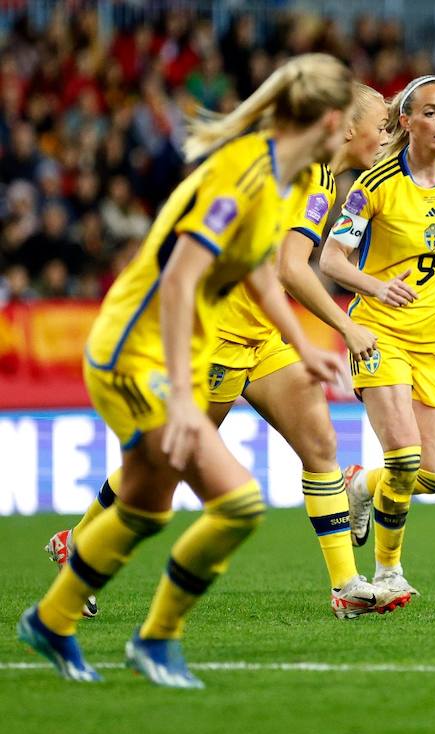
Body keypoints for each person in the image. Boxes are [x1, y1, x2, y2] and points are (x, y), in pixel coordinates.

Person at [17, 53, 353, 688]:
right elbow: (178, 284)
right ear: (333, 120)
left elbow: (256, 267)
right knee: (237, 504)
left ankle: (53, 619)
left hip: (166, 355)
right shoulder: (244, 174)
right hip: (132, 355)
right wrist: (176, 396)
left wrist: (300, 343)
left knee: (144, 508)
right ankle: (155, 641)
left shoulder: (288, 176)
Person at [45, 83, 407, 620]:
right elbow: (289, 267)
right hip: (219, 334)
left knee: (320, 442)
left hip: (260, 336)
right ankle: (76, 544)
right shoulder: (312, 179)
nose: (387, 137)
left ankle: (346, 585)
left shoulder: (317, 172)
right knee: (162, 463)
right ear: (347, 128)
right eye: (381, 126)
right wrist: (343, 327)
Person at [319, 75, 435, 599]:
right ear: (406, 121)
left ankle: (358, 486)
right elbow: (330, 259)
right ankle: (388, 571)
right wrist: (376, 288)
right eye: (432, 113)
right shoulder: (372, 185)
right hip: (379, 333)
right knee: (405, 458)